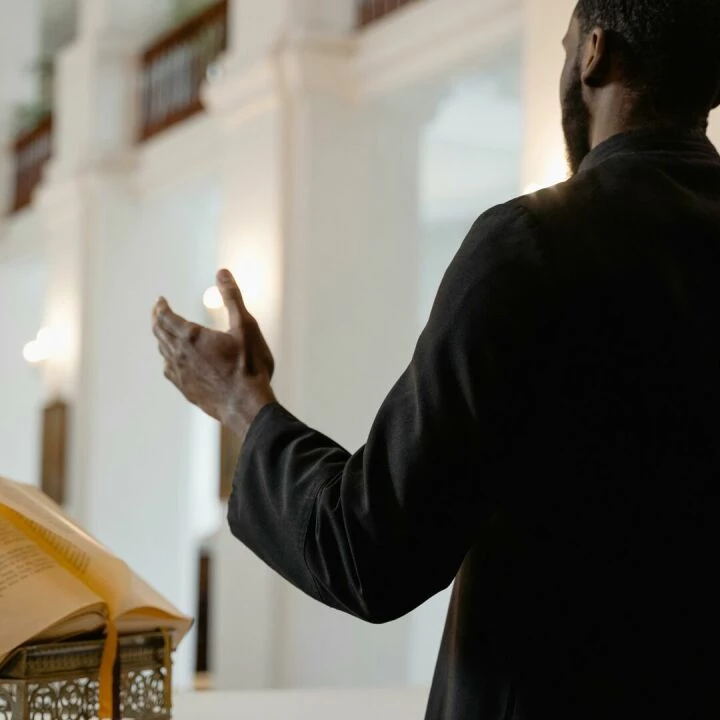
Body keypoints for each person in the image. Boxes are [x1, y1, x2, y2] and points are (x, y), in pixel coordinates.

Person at [152, 0, 720, 717]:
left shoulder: (533, 245)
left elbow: (370, 553)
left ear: (595, 54)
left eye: (567, 44)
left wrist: (239, 400)